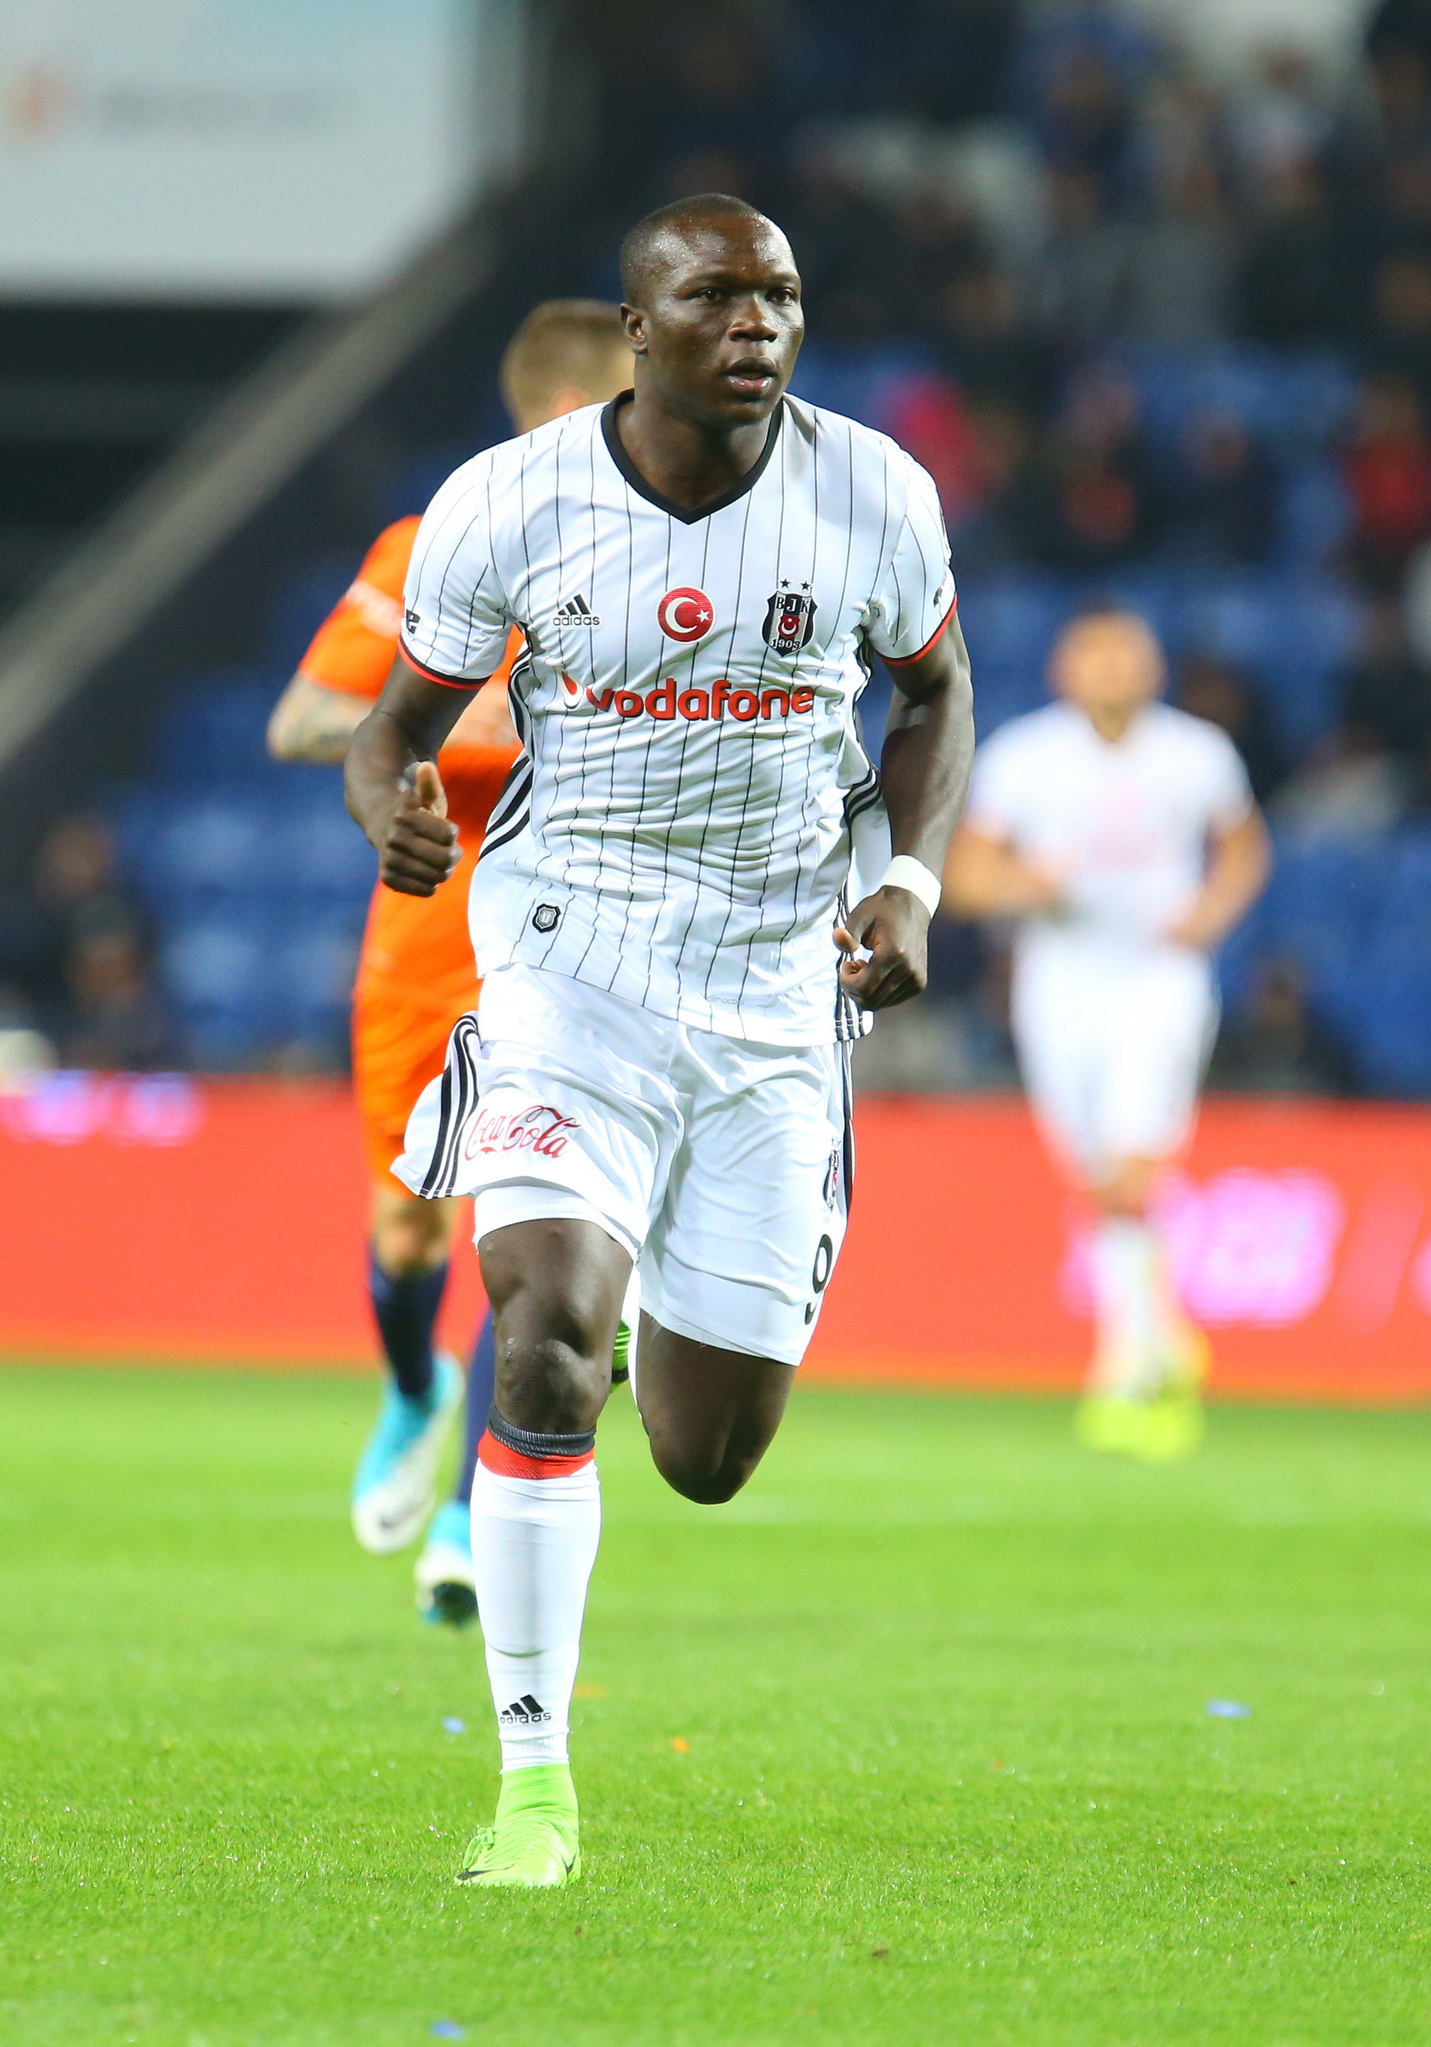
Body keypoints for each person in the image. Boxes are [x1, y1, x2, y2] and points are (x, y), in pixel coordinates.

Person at [344, 193, 974, 1886]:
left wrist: (908, 884)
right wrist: (394, 811)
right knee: (541, 1325)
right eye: (714, 298)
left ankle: (632, 1302)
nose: (755, 324)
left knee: (704, 1457)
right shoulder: (508, 501)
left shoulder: (873, 491)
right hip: (570, 964)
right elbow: (389, 731)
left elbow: (934, 694)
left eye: (778, 295)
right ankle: (531, 1789)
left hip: (775, 987)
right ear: (638, 330)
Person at [268, 300, 633, 1623]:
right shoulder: (433, 545)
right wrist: (467, 720)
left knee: (531, 1225)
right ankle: (416, 1386)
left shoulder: (668, 563)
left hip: (584, 953)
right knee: (410, 1225)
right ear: (563, 415)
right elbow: (304, 721)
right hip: (430, 941)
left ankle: (478, 1512)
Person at [945, 607, 1270, 1462]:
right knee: (1096, 1177)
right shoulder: (1024, 757)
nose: (1110, 669)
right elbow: (967, 876)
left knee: (1131, 1168)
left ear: (1153, 667)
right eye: (1094, 654)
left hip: (1158, 977)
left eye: (1125, 654)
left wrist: (1209, 913)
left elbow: (1244, 848)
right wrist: (1023, 884)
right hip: (1060, 981)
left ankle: (1122, 1369)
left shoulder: (1196, 753)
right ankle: (1165, 1339)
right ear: (1063, 668)